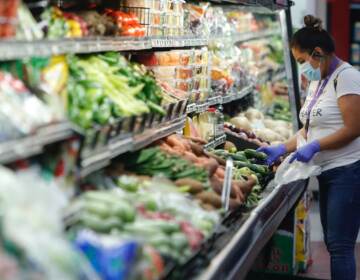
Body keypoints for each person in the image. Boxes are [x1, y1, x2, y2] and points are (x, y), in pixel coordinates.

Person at [258, 15, 360, 280]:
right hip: (328, 171)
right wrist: (283, 147)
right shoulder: (318, 80)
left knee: (340, 247)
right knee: (333, 242)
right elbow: (309, 126)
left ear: (318, 53)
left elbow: (353, 128)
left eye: (302, 61)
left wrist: (314, 146)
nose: (302, 68)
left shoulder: (347, 77)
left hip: (348, 171)